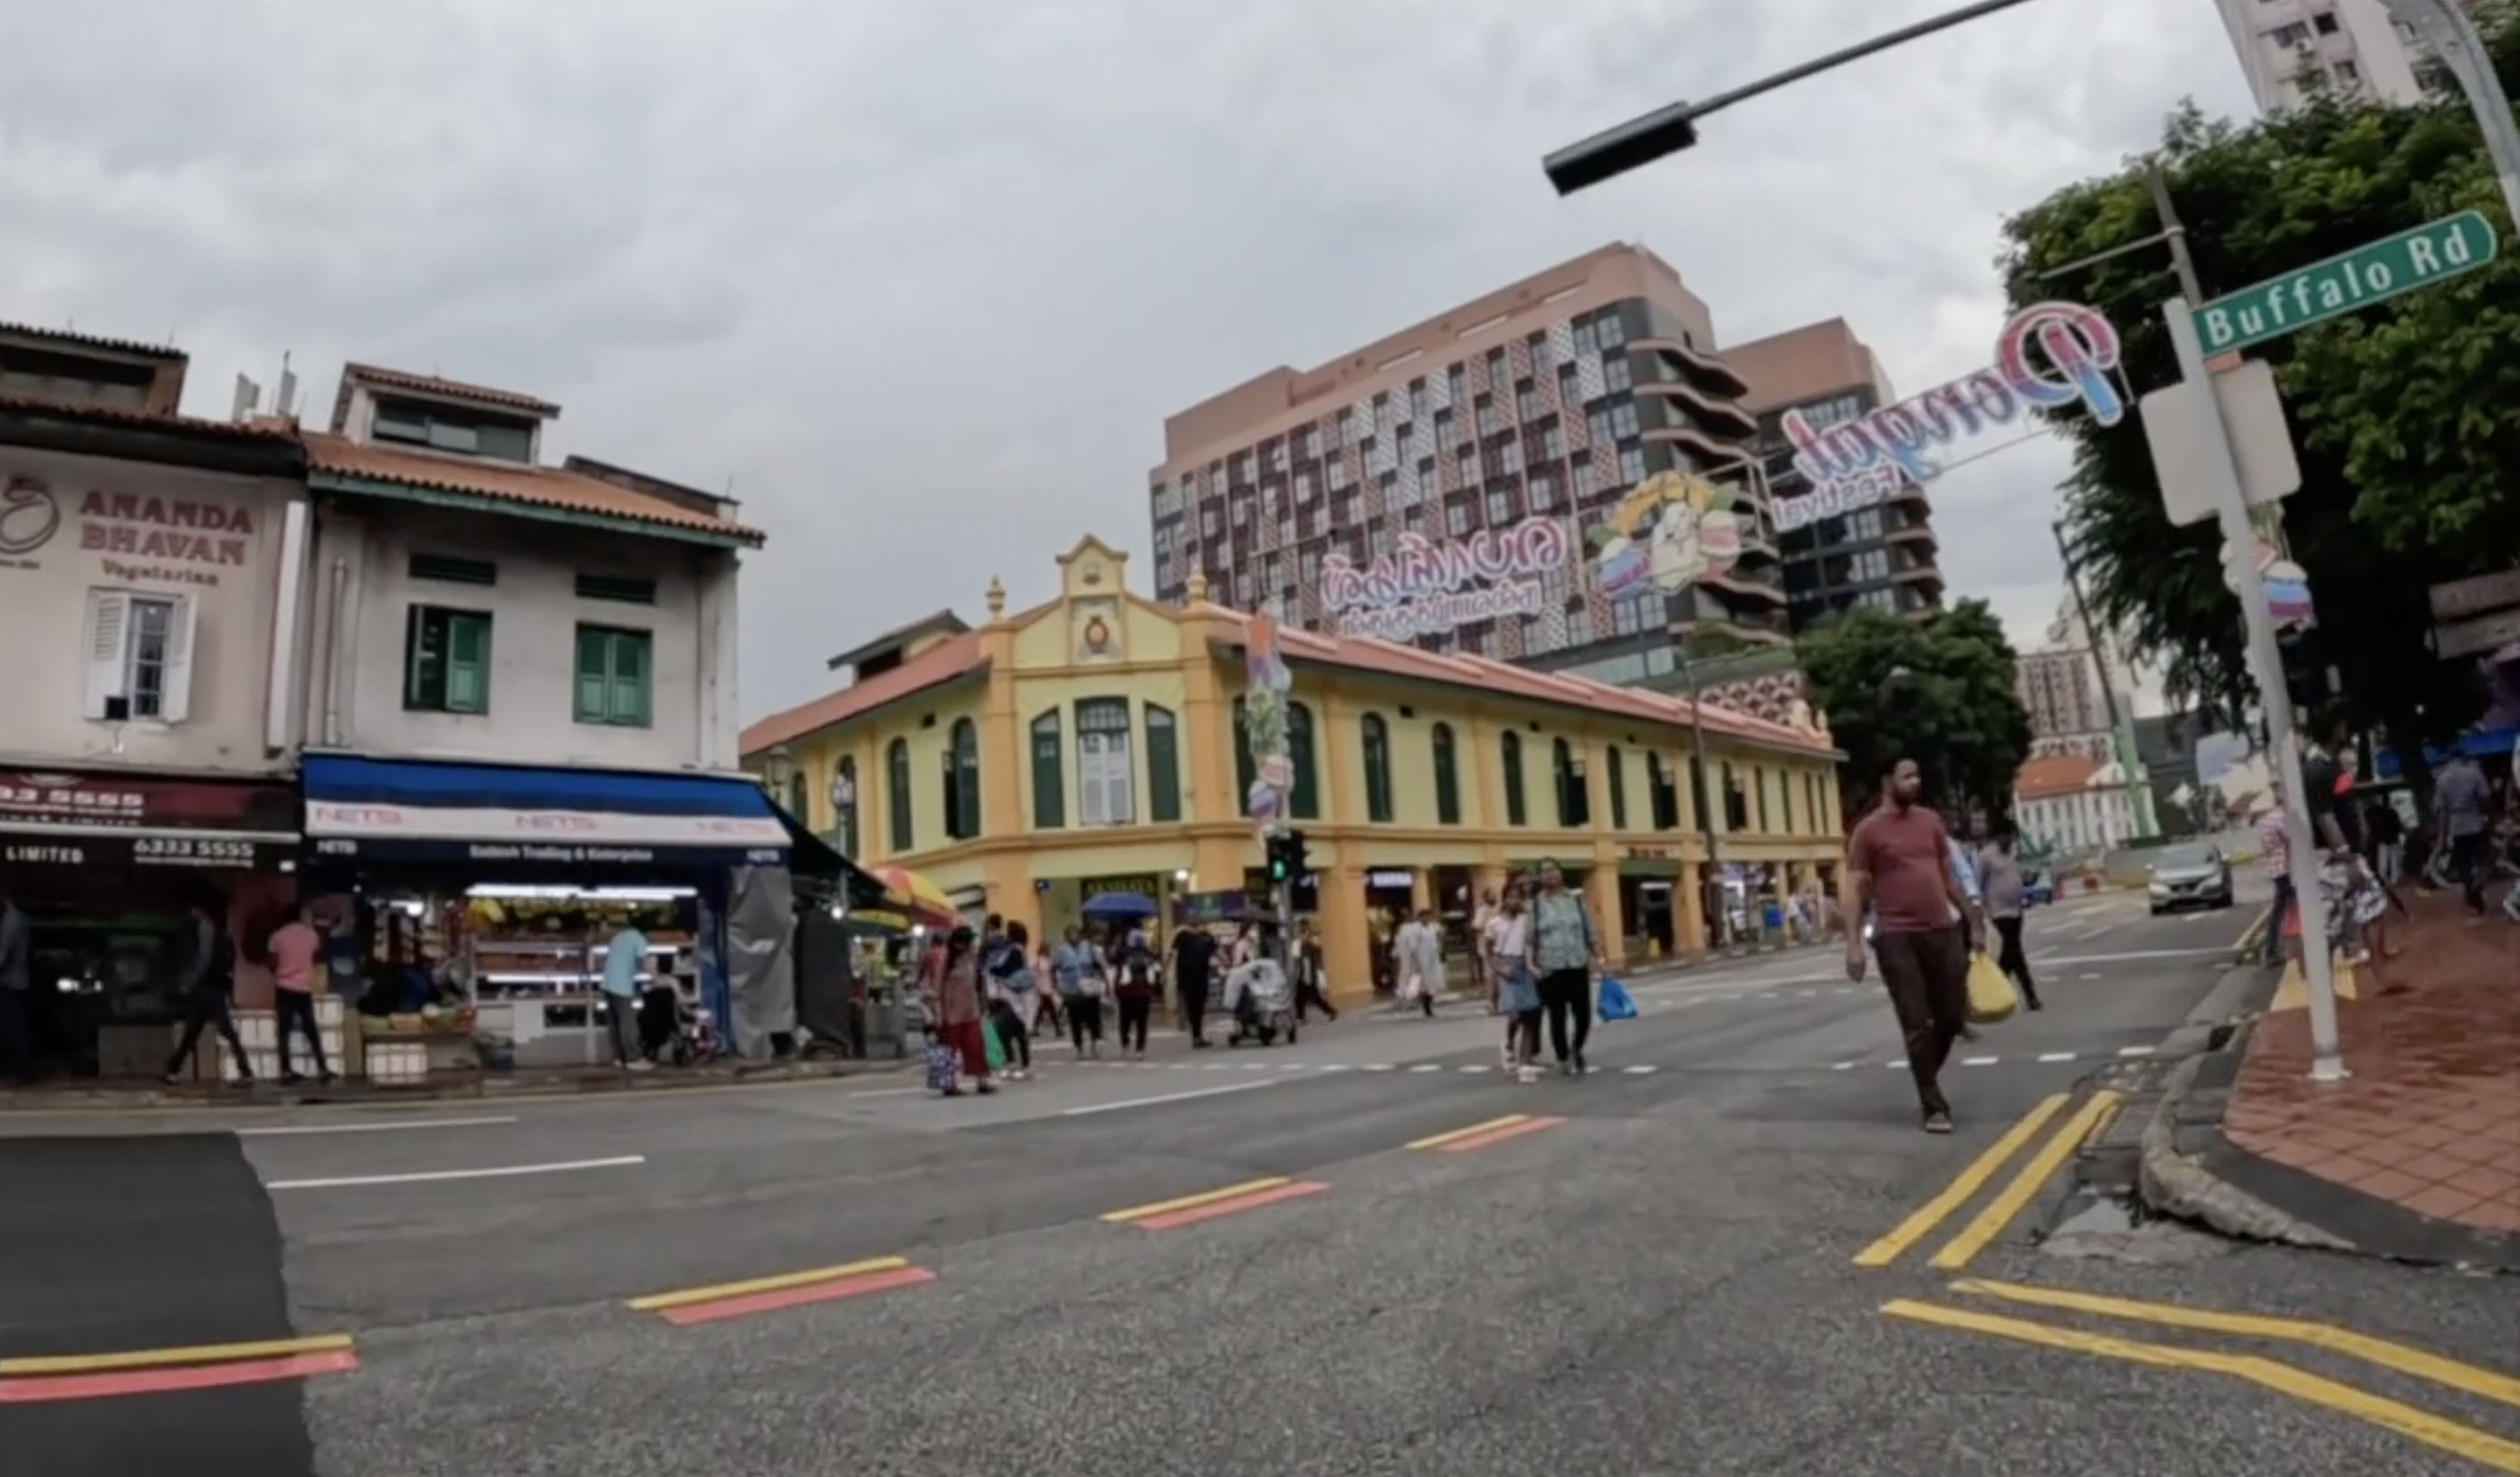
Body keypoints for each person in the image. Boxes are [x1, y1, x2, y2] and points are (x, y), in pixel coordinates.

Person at [1843, 757, 1978, 1135]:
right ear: (1888, 782)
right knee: (1916, 1022)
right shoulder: (1868, 832)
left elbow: (1947, 876)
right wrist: (1853, 944)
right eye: (1907, 776)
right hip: (1896, 936)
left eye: (1918, 775)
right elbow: (1855, 889)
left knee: (1952, 1015)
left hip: (1942, 929)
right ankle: (1933, 1103)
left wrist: (1974, 919)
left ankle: (1924, 1071)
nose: (1915, 782)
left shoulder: (1930, 822)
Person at [1529, 860, 1603, 1077]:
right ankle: (1562, 1057)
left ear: (1561, 874)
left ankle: (1576, 1048)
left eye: (1553, 870)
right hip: (1551, 968)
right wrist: (1531, 965)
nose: (1550, 875)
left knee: (1583, 1015)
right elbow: (1530, 939)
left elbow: (1589, 931)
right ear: (1540, 878)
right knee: (1557, 1016)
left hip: (1577, 963)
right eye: (1544, 872)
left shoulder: (1576, 900)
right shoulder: (1535, 905)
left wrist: (1599, 957)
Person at [165, 900, 251, 1085]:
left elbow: (202, 960)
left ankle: (173, 1070)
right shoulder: (225, 939)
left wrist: (188, 983)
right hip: (217, 991)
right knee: (226, 1033)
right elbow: (229, 966)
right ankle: (246, 1070)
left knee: (191, 1034)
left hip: (204, 990)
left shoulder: (203, 932)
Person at [1975, 824, 2043, 1012]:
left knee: (2011, 953)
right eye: (2006, 837)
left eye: (2012, 838)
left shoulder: (2012, 853)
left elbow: (2016, 875)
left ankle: (1997, 989)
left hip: (2015, 909)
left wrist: (2026, 879)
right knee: (2015, 952)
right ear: (1997, 836)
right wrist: (1982, 910)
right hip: (1998, 911)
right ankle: (2030, 996)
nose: (2009, 841)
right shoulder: (1986, 856)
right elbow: (1979, 882)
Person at [268, 908, 337, 1086]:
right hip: (304, 987)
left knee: (283, 1032)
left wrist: (282, 970)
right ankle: (322, 1068)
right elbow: (316, 956)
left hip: (283, 987)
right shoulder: (311, 935)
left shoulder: (277, 936)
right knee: (311, 1030)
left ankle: (285, 1070)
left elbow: (272, 962)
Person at [925, 926, 995, 1095]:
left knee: (976, 1047)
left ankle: (982, 1081)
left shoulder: (972, 958)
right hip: (951, 1013)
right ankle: (949, 1085)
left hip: (971, 1011)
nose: (972, 944)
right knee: (949, 1050)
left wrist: (984, 1004)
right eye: (969, 941)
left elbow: (978, 983)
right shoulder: (945, 960)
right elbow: (937, 987)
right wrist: (938, 1014)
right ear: (959, 943)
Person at [1487, 883, 1543, 1085]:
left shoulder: (1526, 919)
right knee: (1515, 1013)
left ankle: (1525, 1062)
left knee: (1529, 1015)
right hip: (1506, 967)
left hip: (1524, 966)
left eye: (1518, 897)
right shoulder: (1494, 924)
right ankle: (1509, 1043)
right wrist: (1500, 970)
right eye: (1510, 897)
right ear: (1504, 899)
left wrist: (1531, 966)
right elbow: (1489, 953)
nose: (1514, 901)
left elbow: (1531, 942)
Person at [2436, 753, 2495, 918]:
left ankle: (2470, 890)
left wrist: (2442, 837)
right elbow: (2485, 798)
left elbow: (2442, 812)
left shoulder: (2442, 779)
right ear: (2463, 759)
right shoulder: (2474, 773)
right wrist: (2490, 818)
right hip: (2475, 822)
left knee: (2463, 864)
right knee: (2486, 859)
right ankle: (2478, 884)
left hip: (2457, 827)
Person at [599, 915, 652, 1072]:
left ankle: (618, 1057)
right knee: (628, 1023)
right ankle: (633, 1058)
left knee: (614, 1023)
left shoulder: (618, 937)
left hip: (607, 983)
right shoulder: (639, 939)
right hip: (622, 985)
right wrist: (654, 977)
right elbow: (644, 962)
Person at [984, 920, 1035, 1081]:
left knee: (1008, 1030)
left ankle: (1016, 1064)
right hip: (1018, 995)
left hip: (1011, 995)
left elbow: (1004, 969)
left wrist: (993, 970)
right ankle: (1023, 1065)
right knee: (1018, 1031)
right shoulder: (1019, 950)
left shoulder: (1014, 951)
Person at [1053, 926, 1104, 1057]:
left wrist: (1101, 980)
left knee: (1093, 1018)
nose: (1073, 937)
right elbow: (1053, 967)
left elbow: (1098, 964)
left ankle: (1095, 1043)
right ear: (1066, 937)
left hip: (1089, 987)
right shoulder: (1061, 950)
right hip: (1072, 990)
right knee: (1075, 1019)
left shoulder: (1088, 947)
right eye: (1070, 935)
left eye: (1075, 934)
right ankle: (1078, 1046)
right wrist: (1056, 985)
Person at [0, 889, 32, 1087]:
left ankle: (20, 1072)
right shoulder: (16, 918)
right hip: (17, 980)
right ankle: (19, 1071)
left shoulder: (11, 920)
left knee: (13, 1029)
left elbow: (2, 954)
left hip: (11, 982)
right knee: (14, 1028)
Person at [1112, 925, 1159, 1058]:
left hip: (1127, 992)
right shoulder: (1148, 953)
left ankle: (1126, 1044)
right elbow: (1155, 968)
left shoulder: (1123, 952)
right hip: (1143, 991)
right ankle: (1139, 1049)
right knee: (1141, 1022)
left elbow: (1112, 960)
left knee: (1125, 1020)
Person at [1169, 922, 1218, 1048]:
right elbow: (1216, 953)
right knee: (1197, 1008)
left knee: (1193, 1007)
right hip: (1198, 977)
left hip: (1189, 978)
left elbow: (1172, 954)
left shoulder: (1183, 935)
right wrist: (1227, 963)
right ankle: (1196, 1035)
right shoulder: (1203, 937)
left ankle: (1196, 1034)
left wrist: (1166, 971)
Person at [1395, 909, 1444, 1018]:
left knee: (1431, 985)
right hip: (1420, 959)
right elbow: (1413, 946)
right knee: (1420, 984)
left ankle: (1428, 1005)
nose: (1427, 919)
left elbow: (1437, 940)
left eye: (1428, 916)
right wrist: (1415, 960)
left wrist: (1438, 949)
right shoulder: (1415, 929)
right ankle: (1420, 1005)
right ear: (1420, 917)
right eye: (1424, 916)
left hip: (1432, 959)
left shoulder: (1432, 927)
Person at [1290, 920, 1338, 1021]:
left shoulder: (1309, 944)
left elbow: (1308, 961)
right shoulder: (1306, 943)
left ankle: (1331, 1011)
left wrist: (1309, 976)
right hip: (1305, 975)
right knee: (1300, 998)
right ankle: (1301, 1016)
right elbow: (1300, 960)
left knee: (1314, 998)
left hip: (1308, 976)